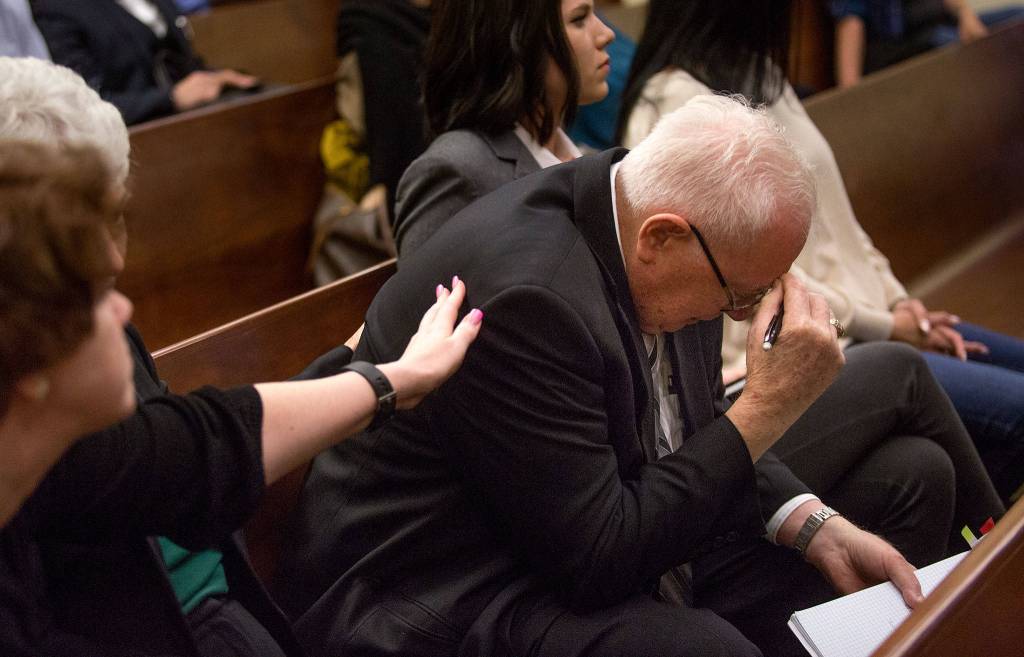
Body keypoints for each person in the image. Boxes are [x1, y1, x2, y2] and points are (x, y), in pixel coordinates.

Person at [274, 97, 1002, 657]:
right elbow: (596, 560)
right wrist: (768, 405)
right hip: (443, 584)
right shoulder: (533, 300)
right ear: (663, 237)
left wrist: (814, 524)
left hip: (585, 520)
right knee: (705, 649)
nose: (743, 311)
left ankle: (990, 590)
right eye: (741, 295)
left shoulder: (655, 217)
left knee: (911, 479)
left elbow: (686, 426)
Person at [0, 57, 482, 657]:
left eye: (115, 219)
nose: (118, 287)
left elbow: (194, 443)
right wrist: (386, 381)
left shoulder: (65, 390)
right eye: (87, 290)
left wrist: (376, 372)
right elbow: (192, 455)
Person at [618, 0, 1024, 504]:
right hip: (816, 338)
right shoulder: (674, 102)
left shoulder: (762, 75)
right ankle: (987, 541)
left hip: (877, 318)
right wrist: (889, 326)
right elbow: (759, 279)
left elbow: (838, 218)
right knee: (1012, 413)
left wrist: (901, 302)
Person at [391, 0, 615, 255]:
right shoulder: (456, 173)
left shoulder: (582, 159)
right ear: (518, 39)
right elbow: (426, 283)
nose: (606, 34)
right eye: (578, 19)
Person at [30, 0, 259, 125]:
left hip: (195, 121)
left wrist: (214, 79)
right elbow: (85, 104)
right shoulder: (55, 8)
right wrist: (171, 98)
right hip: (139, 141)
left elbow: (178, 59)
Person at [830, 0, 1024, 87]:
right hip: (908, 43)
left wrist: (965, 15)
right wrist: (850, 90)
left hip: (946, 24)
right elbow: (851, 22)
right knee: (947, 43)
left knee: (1018, 18)